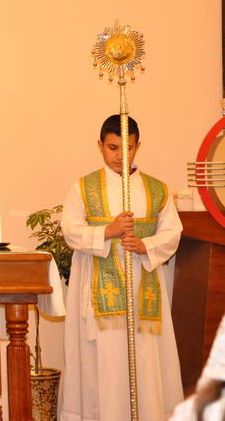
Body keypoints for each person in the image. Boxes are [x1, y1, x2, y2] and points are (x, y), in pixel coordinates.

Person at [60, 114, 183, 420]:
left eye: (127, 148)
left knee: (146, 359)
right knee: (102, 362)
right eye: (113, 148)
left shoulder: (157, 189)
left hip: (143, 289)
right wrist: (107, 231)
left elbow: (172, 232)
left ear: (138, 146)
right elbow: (70, 231)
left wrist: (147, 246)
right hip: (98, 291)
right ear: (100, 145)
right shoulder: (83, 187)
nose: (120, 155)